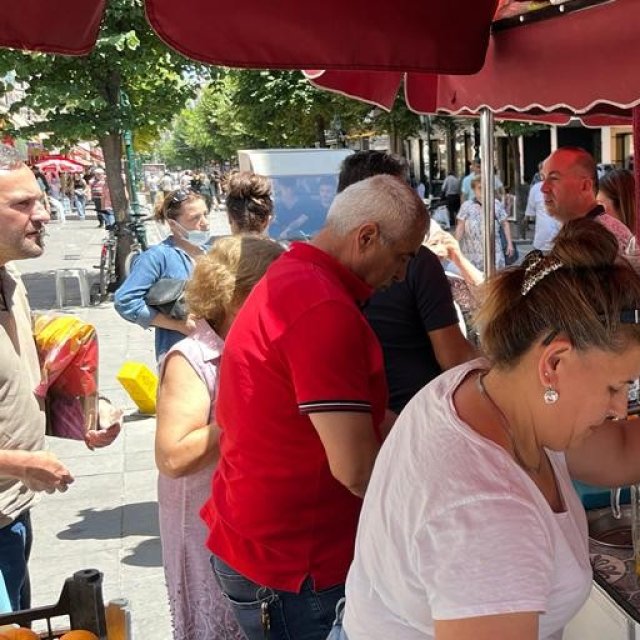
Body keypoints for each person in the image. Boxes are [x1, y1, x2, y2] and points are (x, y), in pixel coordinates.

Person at [341, 220, 640, 639]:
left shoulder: (493, 390)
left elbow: (619, 451)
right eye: (614, 387)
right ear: (554, 362)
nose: (619, 408)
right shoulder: (487, 513)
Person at [203, 175, 427, 640]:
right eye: (404, 255)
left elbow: (355, 415)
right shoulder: (322, 305)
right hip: (296, 564)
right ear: (366, 237)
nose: (403, 273)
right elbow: (356, 470)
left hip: (266, 543)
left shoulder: (297, 276)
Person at [0, 146, 121, 610]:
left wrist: (85, 409)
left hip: (12, 509)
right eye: (23, 204)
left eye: (40, 200)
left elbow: (20, 379)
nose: (45, 213)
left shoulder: (10, 280)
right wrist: (18, 463)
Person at [155, 236, 284, 640]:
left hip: (248, 523)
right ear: (238, 296)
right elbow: (174, 457)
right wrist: (243, 413)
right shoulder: (193, 358)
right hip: (205, 527)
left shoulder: (264, 347)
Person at [338, 151, 475, 414]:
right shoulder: (418, 262)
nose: (398, 273)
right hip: (417, 415)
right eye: (401, 197)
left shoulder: (315, 273)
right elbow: (454, 356)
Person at [114, 189, 211, 360]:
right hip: (181, 354)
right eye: (195, 218)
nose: (204, 223)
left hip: (215, 348)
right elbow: (125, 301)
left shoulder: (212, 252)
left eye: (205, 214)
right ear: (173, 224)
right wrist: (178, 325)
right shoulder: (158, 257)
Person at [542, 147, 633, 249]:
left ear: (585, 186)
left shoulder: (603, 236)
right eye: (543, 178)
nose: (543, 188)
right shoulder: (577, 229)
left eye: (554, 178)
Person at [455, 180, 513, 270]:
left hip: (493, 249)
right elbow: (460, 227)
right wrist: (455, 244)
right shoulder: (466, 206)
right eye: (479, 188)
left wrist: (509, 243)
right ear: (474, 190)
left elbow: (505, 224)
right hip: (472, 251)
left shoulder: (495, 204)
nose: (482, 190)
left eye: (485, 187)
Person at [528, 170, 559, 252]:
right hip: (542, 241)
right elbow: (531, 213)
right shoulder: (535, 189)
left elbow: (531, 214)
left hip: (557, 241)